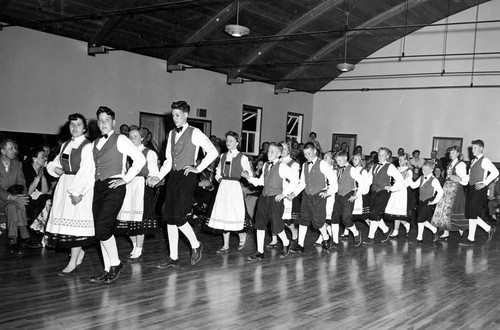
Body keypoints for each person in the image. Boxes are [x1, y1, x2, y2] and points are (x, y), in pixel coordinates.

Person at [149, 101, 218, 269]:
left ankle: (196, 245)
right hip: (173, 177)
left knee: (179, 217)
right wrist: (157, 177)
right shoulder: (172, 134)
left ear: (186, 115)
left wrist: (198, 168)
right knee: (169, 217)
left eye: (177, 115)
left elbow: (213, 152)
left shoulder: (195, 133)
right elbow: (168, 161)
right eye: (173, 115)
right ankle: (173, 257)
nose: (175, 119)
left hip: (187, 177)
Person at [89, 106, 146, 284]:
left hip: (114, 186)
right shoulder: (95, 143)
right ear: (97, 123)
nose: (104, 123)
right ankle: (107, 269)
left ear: (113, 122)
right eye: (101, 120)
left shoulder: (120, 139)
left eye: (107, 120)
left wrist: (126, 179)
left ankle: (116, 264)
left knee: (102, 227)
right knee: (100, 231)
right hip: (98, 187)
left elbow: (140, 159)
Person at [45, 113, 95, 275]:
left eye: (78, 125)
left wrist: (78, 192)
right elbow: (53, 164)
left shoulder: (87, 146)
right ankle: (78, 253)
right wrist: (58, 170)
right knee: (67, 224)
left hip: (79, 186)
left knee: (75, 225)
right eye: (72, 125)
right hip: (64, 184)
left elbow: (88, 172)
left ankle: (73, 261)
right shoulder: (66, 144)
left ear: (85, 128)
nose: (74, 128)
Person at [242, 143, 299, 261]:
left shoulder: (283, 166)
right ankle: (260, 252)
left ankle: (286, 242)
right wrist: (248, 178)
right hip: (264, 197)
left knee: (277, 226)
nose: (269, 153)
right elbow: (261, 182)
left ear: (279, 154)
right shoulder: (266, 165)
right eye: (268, 151)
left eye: (272, 151)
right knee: (260, 224)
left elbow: (295, 180)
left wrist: (284, 193)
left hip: (275, 199)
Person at [115, 126, 160, 261]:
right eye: (130, 136)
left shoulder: (149, 153)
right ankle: (135, 246)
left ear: (142, 138)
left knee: (139, 220)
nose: (132, 139)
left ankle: (139, 249)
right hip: (128, 186)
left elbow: (153, 172)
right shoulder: (126, 153)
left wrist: (152, 179)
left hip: (141, 185)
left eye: (135, 136)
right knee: (127, 219)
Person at [207, 131, 252, 253]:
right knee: (223, 214)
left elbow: (249, 172)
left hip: (234, 187)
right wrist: (219, 178)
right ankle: (225, 245)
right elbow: (217, 172)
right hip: (224, 187)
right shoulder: (222, 156)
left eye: (231, 141)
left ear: (237, 143)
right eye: (227, 140)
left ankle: (242, 237)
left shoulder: (243, 157)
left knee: (236, 213)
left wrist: (247, 174)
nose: (228, 143)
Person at [289, 143, 337, 253]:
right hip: (306, 196)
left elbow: (333, 179)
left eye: (309, 153)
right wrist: (294, 193)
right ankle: (300, 244)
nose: (307, 156)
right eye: (305, 154)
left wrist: (328, 192)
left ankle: (325, 237)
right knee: (303, 220)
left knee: (318, 221)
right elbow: (302, 183)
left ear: (315, 151)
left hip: (318, 196)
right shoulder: (305, 165)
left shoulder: (323, 164)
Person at [460, 139, 498, 245]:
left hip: (480, 190)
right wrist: (460, 179)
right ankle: (488, 228)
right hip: (472, 188)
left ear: (481, 148)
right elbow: (470, 176)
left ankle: (471, 239)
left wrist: (485, 183)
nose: (472, 150)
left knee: (472, 213)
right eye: (472, 148)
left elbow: (495, 172)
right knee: (470, 212)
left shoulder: (485, 160)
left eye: (475, 148)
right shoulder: (473, 161)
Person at [364, 147, 403, 244]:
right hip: (374, 192)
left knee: (375, 214)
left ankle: (370, 237)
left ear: (387, 156)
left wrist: (392, 188)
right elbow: (369, 179)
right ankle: (386, 230)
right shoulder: (374, 166)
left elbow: (400, 179)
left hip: (383, 193)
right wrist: (363, 191)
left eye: (383, 155)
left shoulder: (390, 167)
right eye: (379, 154)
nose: (380, 156)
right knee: (374, 213)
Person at [267, 141, 300, 248]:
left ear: (289, 150)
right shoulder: (274, 162)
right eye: (282, 149)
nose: (283, 151)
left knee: (285, 219)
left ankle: (294, 232)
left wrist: (285, 193)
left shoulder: (294, 164)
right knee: (273, 217)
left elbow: (294, 181)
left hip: (285, 194)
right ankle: (274, 239)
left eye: (285, 149)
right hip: (274, 192)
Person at [431, 146, 469, 240]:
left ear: (458, 153)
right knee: (445, 209)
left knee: (456, 208)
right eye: (450, 152)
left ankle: (462, 231)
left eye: (453, 152)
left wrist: (456, 178)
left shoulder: (461, 164)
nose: (451, 154)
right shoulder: (450, 163)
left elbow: (464, 179)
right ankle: (446, 231)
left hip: (456, 189)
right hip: (447, 188)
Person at [0, 139, 29, 254]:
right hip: (1, 201)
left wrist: (22, 196)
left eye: (15, 148)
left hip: (14, 202)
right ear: (2, 151)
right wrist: (12, 197)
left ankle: (13, 239)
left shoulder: (17, 164)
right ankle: (24, 233)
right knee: (13, 203)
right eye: (11, 148)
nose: (14, 151)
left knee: (12, 206)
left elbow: (22, 184)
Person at [330, 150, 363, 247]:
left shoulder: (352, 169)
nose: (338, 163)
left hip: (348, 195)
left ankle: (356, 233)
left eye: (339, 160)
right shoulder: (338, 169)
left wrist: (357, 194)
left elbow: (361, 181)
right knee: (334, 218)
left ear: (345, 158)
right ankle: (335, 241)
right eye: (337, 161)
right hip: (339, 195)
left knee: (346, 219)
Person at [23, 146, 52, 248]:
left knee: (47, 199)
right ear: (35, 159)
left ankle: (45, 233)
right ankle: (42, 233)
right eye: (43, 156)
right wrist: (37, 178)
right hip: (26, 199)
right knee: (46, 200)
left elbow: (44, 190)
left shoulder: (43, 170)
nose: (45, 158)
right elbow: (28, 192)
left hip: (39, 199)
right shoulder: (25, 170)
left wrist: (42, 175)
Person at [408, 161, 444, 244]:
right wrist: (409, 177)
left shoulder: (434, 180)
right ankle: (434, 229)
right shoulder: (421, 178)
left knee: (420, 219)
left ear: (432, 170)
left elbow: (441, 192)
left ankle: (419, 238)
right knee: (422, 219)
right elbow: (413, 186)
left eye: (426, 170)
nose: (424, 172)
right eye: (423, 169)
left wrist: (433, 202)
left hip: (428, 201)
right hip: (421, 201)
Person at [385, 153, 413, 238]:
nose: (399, 162)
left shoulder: (408, 171)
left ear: (406, 161)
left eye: (401, 160)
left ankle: (395, 231)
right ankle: (406, 225)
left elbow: (407, 184)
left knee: (397, 212)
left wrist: (403, 180)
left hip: (402, 193)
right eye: (399, 160)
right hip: (395, 192)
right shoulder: (397, 169)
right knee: (394, 212)